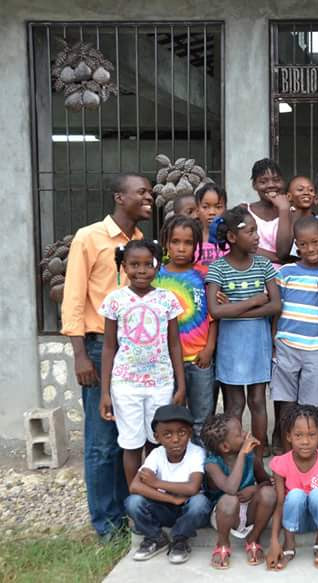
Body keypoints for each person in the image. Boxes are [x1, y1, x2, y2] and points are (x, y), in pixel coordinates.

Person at [62, 172, 151, 540]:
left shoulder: (140, 242)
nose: (149, 197)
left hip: (134, 350)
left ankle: (121, 513)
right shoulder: (89, 237)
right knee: (101, 441)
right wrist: (80, 355)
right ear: (119, 197)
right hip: (99, 347)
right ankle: (106, 526)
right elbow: (73, 297)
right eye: (142, 192)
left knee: (127, 438)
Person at [99, 240, 186, 486]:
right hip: (126, 386)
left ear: (157, 266)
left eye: (148, 264)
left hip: (160, 383)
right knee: (131, 445)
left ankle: (156, 499)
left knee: (156, 442)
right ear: (123, 266)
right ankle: (137, 501)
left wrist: (181, 386)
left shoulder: (167, 299)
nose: (142, 270)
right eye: (134, 265)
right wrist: (105, 392)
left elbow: (175, 345)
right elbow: (108, 347)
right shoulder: (115, 300)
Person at [206, 207, 282, 461]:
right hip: (230, 346)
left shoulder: (263, 265)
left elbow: (275, 305)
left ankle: (259, 457)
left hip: (257, 342)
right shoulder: (218, 268)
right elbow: (216, 311)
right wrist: (254, 302)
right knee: (235, 405)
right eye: (250, 231)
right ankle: (236, 458)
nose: (257, 236)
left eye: (256, 231)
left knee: (258, 402)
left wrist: (234, 310)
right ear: (231, 237)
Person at [155, 216, 217, 443]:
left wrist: (209, 348)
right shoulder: (156, 277)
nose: (181, 248)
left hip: (199, 359)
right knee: (172, 420)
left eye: (188, 243)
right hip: (166, 361)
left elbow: (213, 316)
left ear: (197, 245)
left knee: (202, 419)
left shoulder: (204, 275)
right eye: (175, 242)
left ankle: (202, 473)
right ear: (166, 243)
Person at [270, 217, 318, 453]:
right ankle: (287, 451)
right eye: (303, 244)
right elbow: (277, 308)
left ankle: (311, 452)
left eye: (315, 242)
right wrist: (274, 338)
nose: (310, 249)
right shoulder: (286, 272)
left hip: (317, 348)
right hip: (286, 344)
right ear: (296, 245)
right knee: (285, 401)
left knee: (313, 404)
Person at [124, 404, 211, 565]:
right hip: (164, 507)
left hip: (188, 510)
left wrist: (156, 482)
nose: (176, 439)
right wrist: (171, 499)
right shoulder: (156, 454)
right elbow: (135, 486)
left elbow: (192, 488)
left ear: (190, 434)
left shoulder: (196, 452)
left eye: (182, 433)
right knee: (133, 501)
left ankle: (180, 539)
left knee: (200, 503)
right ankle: (155, 538)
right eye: (167, 434)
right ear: (157, 437)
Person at [266, 405, 318, 571]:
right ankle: (289, 543)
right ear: (288, 436)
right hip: (294, 521)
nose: (305, 441)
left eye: (311, 435)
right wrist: (274, 541)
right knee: (294, 495)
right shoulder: (281, 463)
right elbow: (280, 503)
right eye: (298, 435)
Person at [202, 414, 274, 569]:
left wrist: (255, 489)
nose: (245, 434)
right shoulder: (212, 464)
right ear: (225, 447)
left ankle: (254, 538)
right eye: (240, 434)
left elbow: (266, 481)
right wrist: (242, 454)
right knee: (230, 499)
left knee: (268, 493)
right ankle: (223, 543)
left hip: (250, 511)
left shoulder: (251, 458)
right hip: (224, 515)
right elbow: (231, 488)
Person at [244, 158, 293, 267]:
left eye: (276, 180)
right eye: (263, 181)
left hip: (283, 280)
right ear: (254, 185)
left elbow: (283, 252)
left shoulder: (292, 213)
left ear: (283, 182)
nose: (271, 185)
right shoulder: (244, 211)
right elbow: (241, 246)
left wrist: (284, 210)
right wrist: (277, 259)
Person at [194, 184, 228, 266]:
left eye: (218, 207)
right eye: (205, 207)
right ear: (197, 210)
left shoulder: (232, 238)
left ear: (225, 209)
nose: (212, 212)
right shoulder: (192, 238)